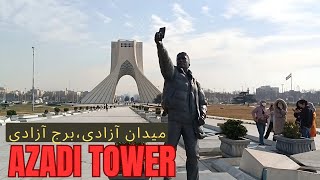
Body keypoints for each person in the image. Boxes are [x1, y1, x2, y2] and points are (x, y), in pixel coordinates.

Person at [155, 30, 207, 180]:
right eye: (178, 59)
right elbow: (165, 62)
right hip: (175, 120)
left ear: (189, 62)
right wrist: (160, 45)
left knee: (193, 155)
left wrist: (203, 113)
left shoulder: (196, 83)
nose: (181, 61)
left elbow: (203, 102)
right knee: (168, 152)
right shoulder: (172, 75)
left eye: (184, 59)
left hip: (191, 123)